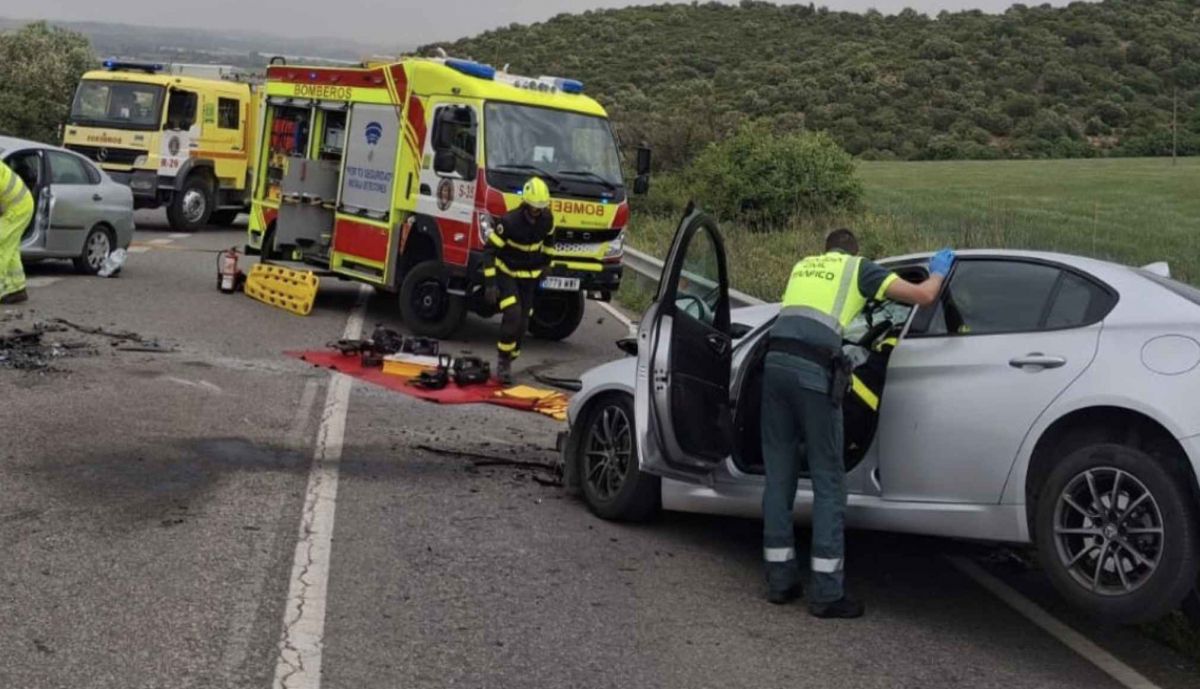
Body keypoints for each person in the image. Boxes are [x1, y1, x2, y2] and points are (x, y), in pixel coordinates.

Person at [761, 228, 955, 618]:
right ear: (854, 251)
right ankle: (826, 593)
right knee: (828, 482)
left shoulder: (802, 266)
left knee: (778, 476)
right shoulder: (859, 269)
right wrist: (938, 271)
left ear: (825, 250)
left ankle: (780, 582)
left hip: (773, 368)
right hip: (813, 374)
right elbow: (923, 297)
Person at [481, 177, 555, 384]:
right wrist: (490, 284)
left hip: (529, 277)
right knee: (512, 314)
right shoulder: (509, 222)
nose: (537, 211)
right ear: (526, 204)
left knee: (523, 322)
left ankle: (512, 353)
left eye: (541, 207)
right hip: (508, 273)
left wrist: (548, 263)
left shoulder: (547, 219)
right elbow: (489, 251)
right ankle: (503, 362)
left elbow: (549, 242)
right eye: (534, 207)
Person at [0, 158, 34, 305]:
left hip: (17, 209)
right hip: (21, 206)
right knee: (10, 248)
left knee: (1, 245)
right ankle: (17, 289)